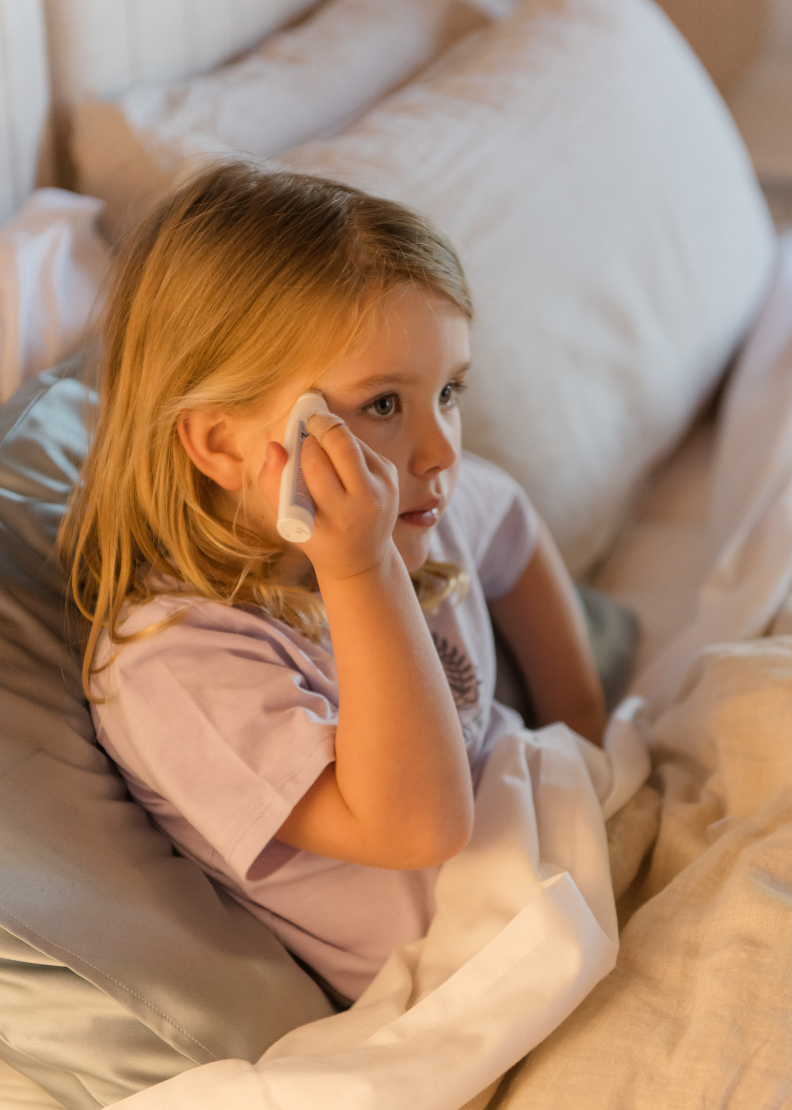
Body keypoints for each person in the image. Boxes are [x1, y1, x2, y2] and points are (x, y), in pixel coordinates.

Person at [60, 162, 606, 1004]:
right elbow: (420, 826)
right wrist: (359, 572)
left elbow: (511, 527)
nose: (442, 451)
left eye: (450, 391)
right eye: (383, 404)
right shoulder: (177, 668)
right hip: (468, 974)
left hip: (565, 840)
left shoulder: (416, 504)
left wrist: (584, 725)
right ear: (218, 444)